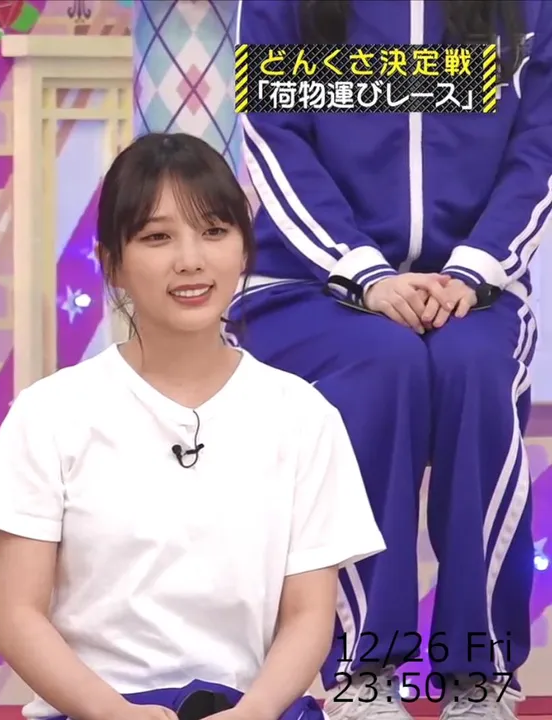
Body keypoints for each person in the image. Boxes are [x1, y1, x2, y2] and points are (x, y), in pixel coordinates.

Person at [0, 133, 386, 720]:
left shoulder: (304, 415)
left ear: (244, 250)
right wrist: (115, 714)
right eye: (157, 237)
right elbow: (17, 618)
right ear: (112, 263)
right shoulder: (49, 413)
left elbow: (309, 616)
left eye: (214, 231)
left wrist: (253, 712)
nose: (191, 259)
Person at [231, 2, 548, 718]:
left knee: (474, 370)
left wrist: (474, 269)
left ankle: (480, 671)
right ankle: (363, 668)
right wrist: (363, 272)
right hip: (311, 278)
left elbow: (540, 143)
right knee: (383, 366)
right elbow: (273, 134)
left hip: (474, 287)